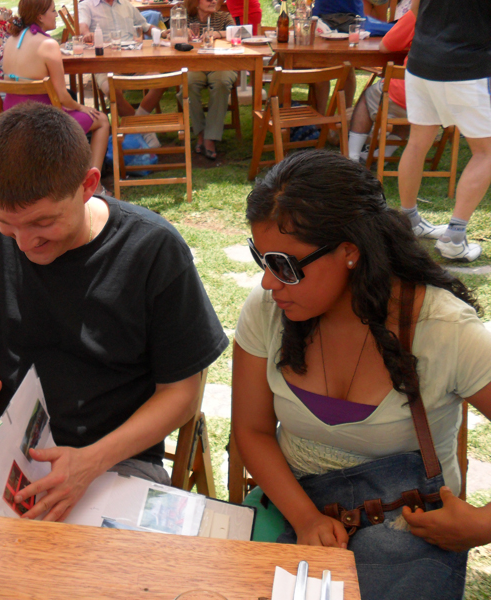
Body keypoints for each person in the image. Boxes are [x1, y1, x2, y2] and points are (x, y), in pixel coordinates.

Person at [0, 103, 228, 522]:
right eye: (6, 224)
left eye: (43, 223)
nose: (25, 243)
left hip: (116, 460)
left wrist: (91, 461)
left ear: (88, 185)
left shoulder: (152, 251)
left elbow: (181, 393)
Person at [232, 151, 491, 600]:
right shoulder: (269, 309)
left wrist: (483, 525)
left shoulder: (444, 330)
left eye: (286, 264)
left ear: (349, 252)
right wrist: (305, 518)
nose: (270, 283)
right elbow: (251, 430)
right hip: (293, 506)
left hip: (406, 528)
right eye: (263, 259)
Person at [397, 0, 491, 262]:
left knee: (417, 142)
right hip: (467, 66)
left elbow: (414, 8)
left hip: (422, 61)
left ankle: (408, 220)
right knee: (486, 153)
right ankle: (455, 237)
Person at [1, 0, 110, 180]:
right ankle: (93, 184)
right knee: (102, 120)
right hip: (45, 124)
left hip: (11, 121)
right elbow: (62, 96)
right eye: (53, 11)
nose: (56, 14)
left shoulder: (11, 41)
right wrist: (82, 107)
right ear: (40, 16)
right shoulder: (48, 44)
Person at [77, 0, 165, 147]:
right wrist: (86, 34)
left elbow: (145, 26)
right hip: (105, 64)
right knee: (111, 89)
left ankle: (138, 123)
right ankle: (144, 130)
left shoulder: (126, 5)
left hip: (134, 60)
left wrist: (163, 32)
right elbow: (82, 26)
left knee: (162, 80)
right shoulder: (87, 5)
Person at [347, 9, 415, 162]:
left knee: (367, 98)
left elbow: (385, 46)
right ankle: (384, 153)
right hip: (444, 101)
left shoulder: (419, 12)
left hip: (410, 93)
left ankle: (352, 156)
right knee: (413, 108)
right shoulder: (472, 17)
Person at [183, 0, 237, 161]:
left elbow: (238, 32)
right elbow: (168, 32)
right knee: (188, 84)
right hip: (195, 65)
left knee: (221, 83)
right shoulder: (186, 18)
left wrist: (217, 34)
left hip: (221, 64)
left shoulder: (223, 17)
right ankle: (200, 132)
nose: (214, 1)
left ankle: (209, 137)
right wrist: (180, 31)